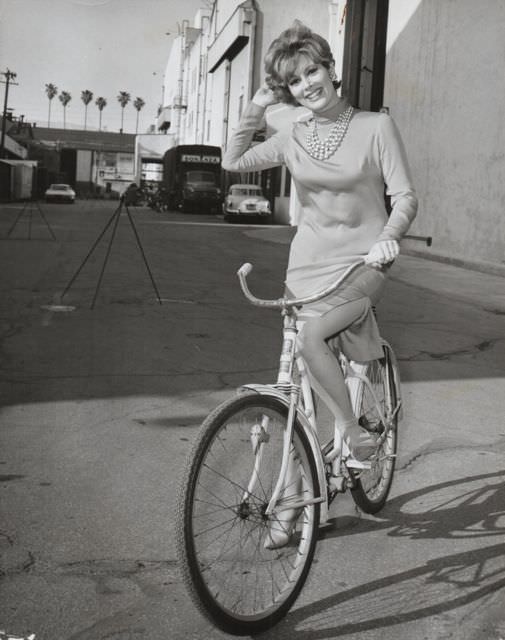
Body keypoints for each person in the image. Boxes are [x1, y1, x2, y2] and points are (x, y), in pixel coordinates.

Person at [222, 21, 417, 546]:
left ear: (331, 69)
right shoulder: (293, 136)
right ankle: (297, 508)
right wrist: (258, 102)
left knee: (313, 341)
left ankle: (354, 434)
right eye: (295, 80)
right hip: (305, 270)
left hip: (363, 264)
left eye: (314, 70)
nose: (308, 83)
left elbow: (405, 197)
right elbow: (233, 159)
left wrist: (391, 236)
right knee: (295, 390)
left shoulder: (376, 126)